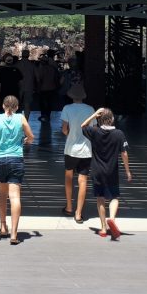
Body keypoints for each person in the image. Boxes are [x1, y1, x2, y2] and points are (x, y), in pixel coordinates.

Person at [0, 95, 35, 245]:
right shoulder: (21, 118)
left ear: (2, 106)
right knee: (15, 197)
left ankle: (2, 226)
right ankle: (14, 233)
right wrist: (27, 140)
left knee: (2, 193)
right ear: (16, 106)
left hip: (0, 159)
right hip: (16, 159)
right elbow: (31, 137)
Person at [80, 107, 133, 240]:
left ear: (99, 120)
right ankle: (112, 219)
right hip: (112, 171)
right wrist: (127, 170)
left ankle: (103, 228)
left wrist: (94, 115)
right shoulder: (119, 134)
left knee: (100, 199)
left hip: (97, 171)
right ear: (113, 119)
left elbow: (83, 125)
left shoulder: (94, 131)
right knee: (114, 197)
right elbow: (124, 153)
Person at [60, 84, 96, 223]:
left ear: (71, 96)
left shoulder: (67, 108)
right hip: (86, 150)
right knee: (83, 181)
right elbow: (94, 129)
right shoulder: (90, 109)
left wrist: (70, 135)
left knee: (68, 177)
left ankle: (69, 206)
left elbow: (64, 129)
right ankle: (78, 213)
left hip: (70, 149)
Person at [35, 51, 60, 122]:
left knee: (42, 103)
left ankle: (43, 115)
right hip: (52, 88)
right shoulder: (52, 69)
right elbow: (56, 79)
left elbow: (40, 80)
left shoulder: (41, 69)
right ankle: (48, 116)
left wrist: (38, 89)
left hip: (43, 88)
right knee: (49, 103)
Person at [15, 49, 36, 119]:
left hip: (19, 86)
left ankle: (18, 119)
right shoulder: (32, 65)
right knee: (27, 105)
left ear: (22, 54)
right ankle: (26, 120)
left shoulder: (17, 64)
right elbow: (37, 76)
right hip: (29, 86)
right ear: (28, 55)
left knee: (18, 104)